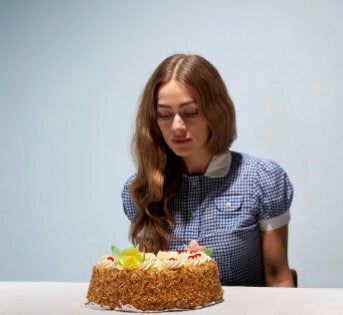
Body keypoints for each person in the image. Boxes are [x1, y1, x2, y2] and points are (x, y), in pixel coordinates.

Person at [121, 54, 295, 287]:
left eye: (190, 112)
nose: (177, 127)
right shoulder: (143, 189)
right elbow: (151, 283)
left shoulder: (261, 178)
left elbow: (278, 276)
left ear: (215, 111)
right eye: (164, 115)